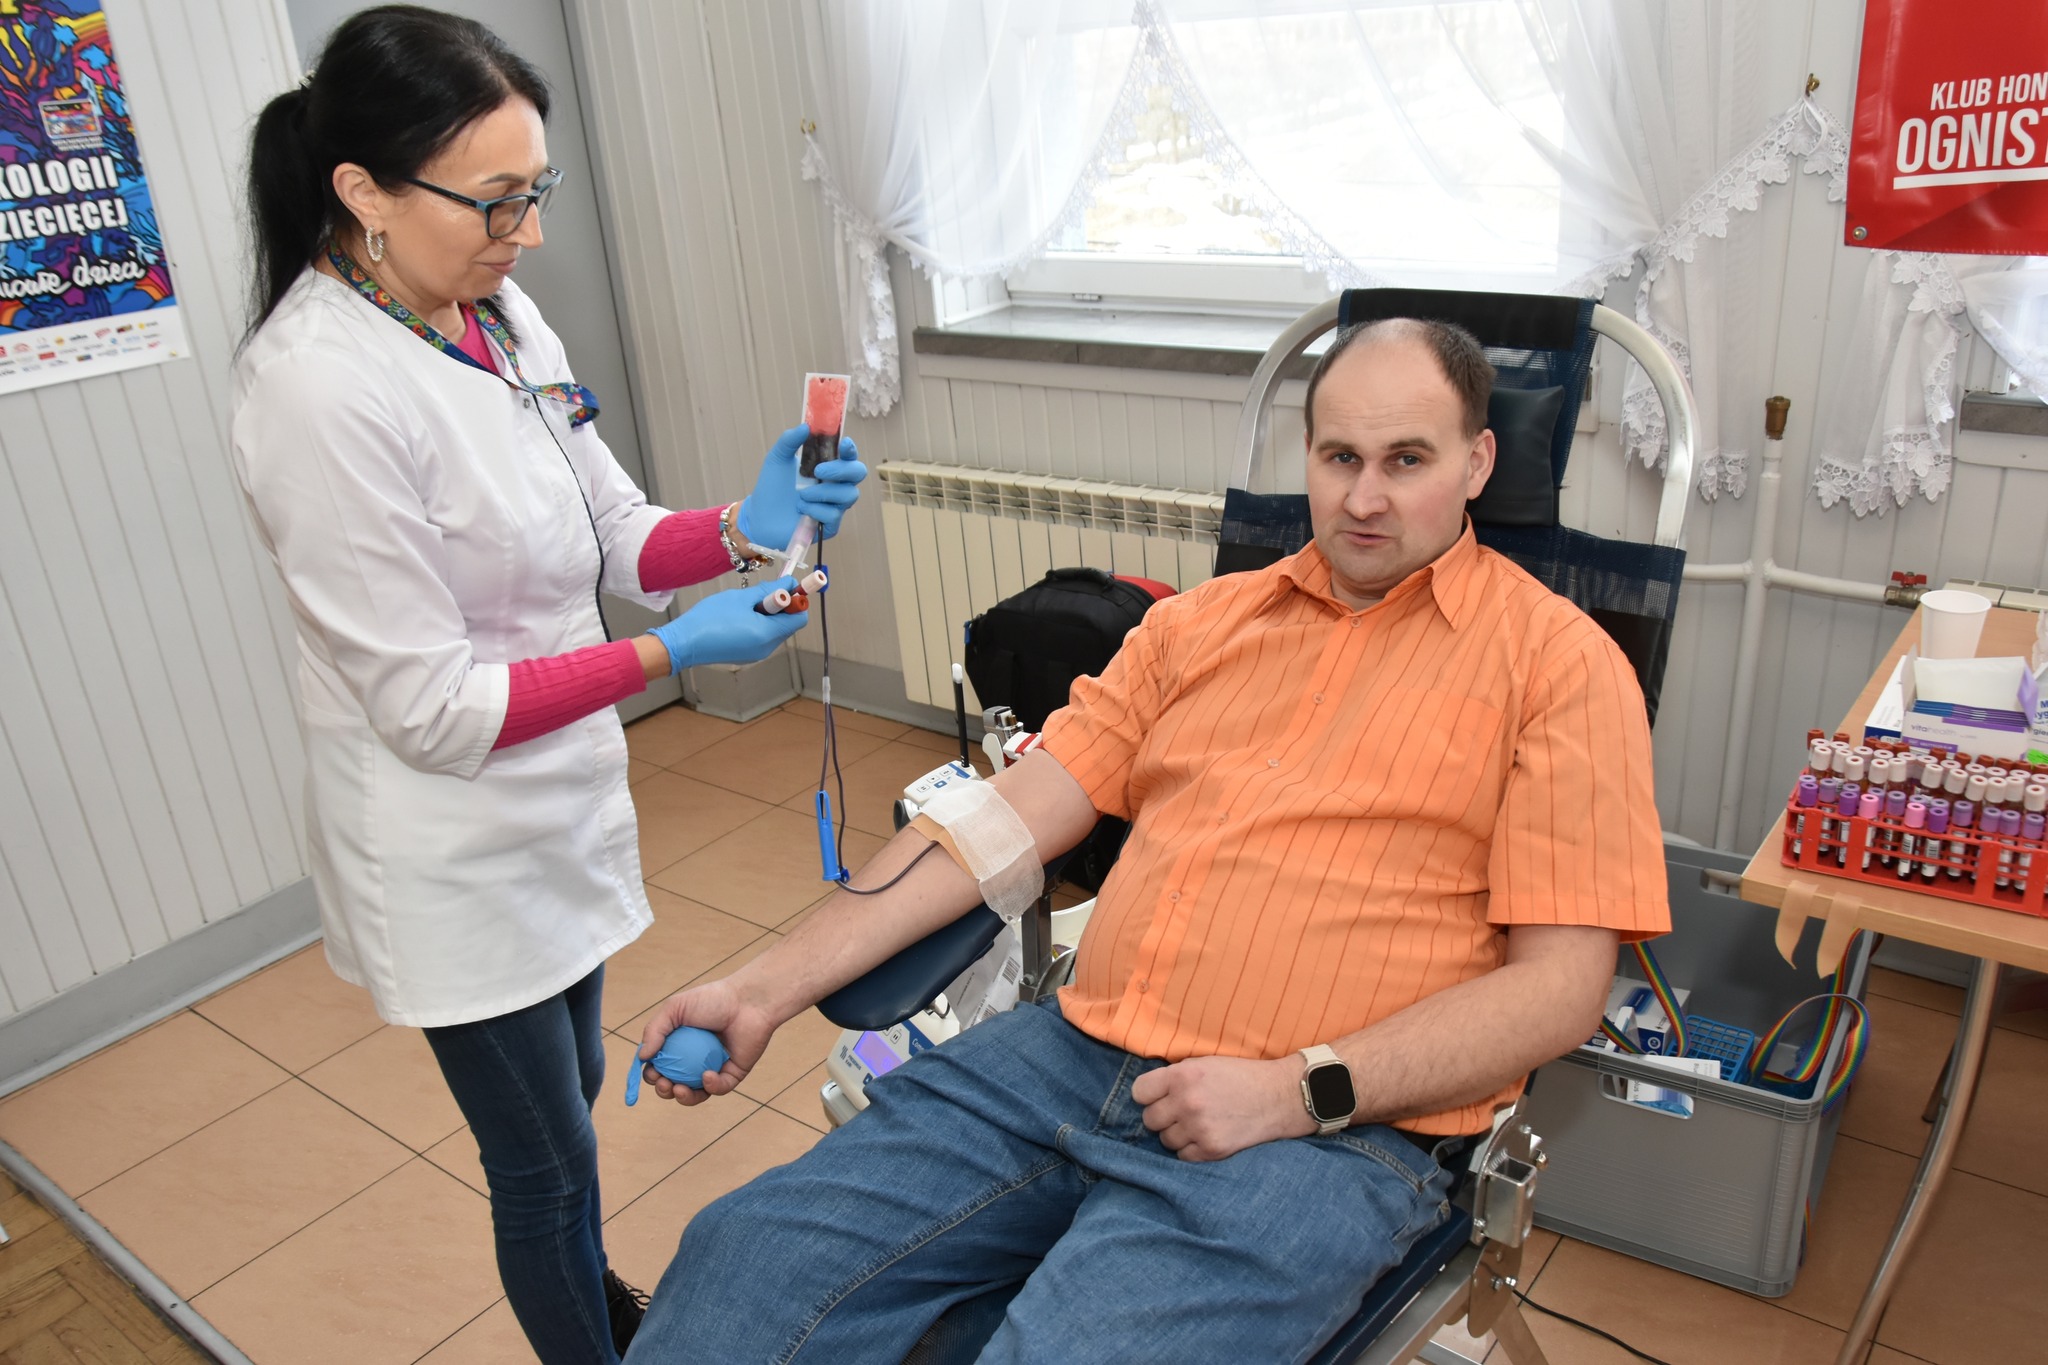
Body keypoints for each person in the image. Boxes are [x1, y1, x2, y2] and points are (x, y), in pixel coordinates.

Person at [619, 317, 1672, 1363]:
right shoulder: (1196, 627)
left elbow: (1558, 990)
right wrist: (761, 989)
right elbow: (998, 823)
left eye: (1407, 460)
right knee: (742, 1260)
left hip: (1325, 1133)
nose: (1363, 498)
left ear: (1477, 462)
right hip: (1070, 1056)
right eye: (1339, 457)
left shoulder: (1560, 670)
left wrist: (1301, 1089)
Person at [229, 9, 865, 1363]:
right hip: (448, 841)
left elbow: (614, 533)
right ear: (363, 192)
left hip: (553, 801)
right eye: (496, 201)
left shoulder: (497, 316)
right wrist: (673, 655)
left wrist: (744, 525)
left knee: (568, 1098)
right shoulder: (316, 391)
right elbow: (431, 709)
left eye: (537, 191)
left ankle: (586, 1292)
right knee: (543, 1167)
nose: (527, 232)